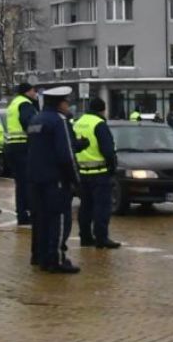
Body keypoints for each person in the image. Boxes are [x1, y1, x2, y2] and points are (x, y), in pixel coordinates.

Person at [26, 87, 81, 273]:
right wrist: (76, 180)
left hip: (35, 178)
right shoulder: (59, 121)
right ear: (60, 103)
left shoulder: (36, 119)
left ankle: (42, 257)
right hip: (55, 179)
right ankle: (56, 259)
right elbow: (66, 155)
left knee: (41, 219)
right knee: (58, 219)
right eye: (66, 102)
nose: (68, 105)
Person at [73, 97, 121, 249]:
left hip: (81, 172)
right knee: (101, 207)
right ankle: (102, 238)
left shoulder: (78, 122)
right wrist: (112, 167)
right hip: (99, 173)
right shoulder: (99, 124)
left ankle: (85, 237)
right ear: (102, 109)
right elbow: (107, 150)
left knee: (85, 206)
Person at [5, 83, 38, 225]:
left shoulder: (14, 103)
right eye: (33, 91)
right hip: (24, 146)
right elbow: (28, 123)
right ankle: (26, 213)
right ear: (27, 91)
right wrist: (41, 130)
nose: (35, 93)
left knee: (20, 183)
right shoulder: (25, 103)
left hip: (13, 146)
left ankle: (21, 213)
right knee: (27, 182)